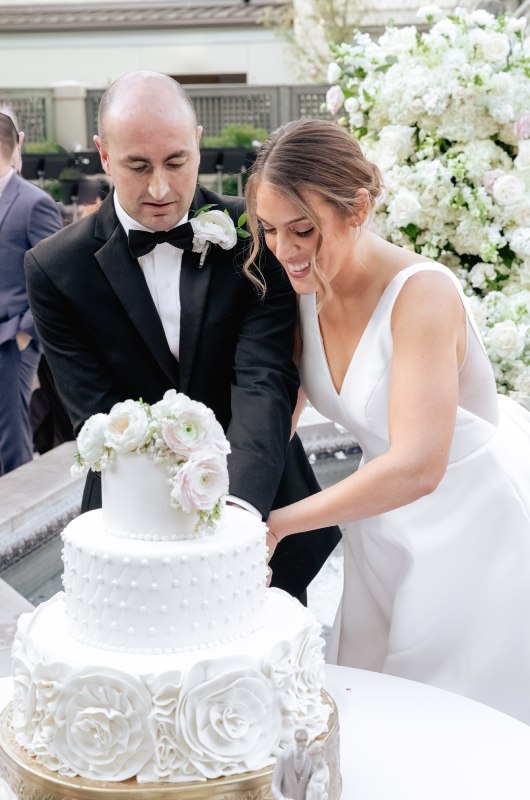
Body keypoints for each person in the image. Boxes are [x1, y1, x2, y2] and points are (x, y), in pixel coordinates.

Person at [243, 118, 530, 723]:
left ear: (359, 209)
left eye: (304, 230)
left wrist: (277, 526)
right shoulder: (303, 284)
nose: (284, 250)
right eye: (268, 230)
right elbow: (276, 417)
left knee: (458, 723)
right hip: (382, 525)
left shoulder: (422, 294)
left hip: (474, 528)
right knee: (378, 713)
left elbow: (420, 466)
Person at [24, 72, 340, 602]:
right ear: (103, 155)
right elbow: (98, 416)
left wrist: (239, 516)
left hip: (261, 507)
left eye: (175, 161)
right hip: (133, 519)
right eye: (137, 166)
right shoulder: (55, 267)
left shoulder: (257, 235)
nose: (160, 189)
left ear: (196, 140)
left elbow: (263, 381)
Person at [0, 111, 63, 475]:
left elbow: (54, 279)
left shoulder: (33, 203)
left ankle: (15, 521)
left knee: (11, 437)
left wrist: (25, 334)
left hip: (12, 340)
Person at [271, 728, 313, 800]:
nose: (301, 744)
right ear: (295, 741)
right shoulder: (283, 757)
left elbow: (315, 779)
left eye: (304, 741)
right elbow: (274, 786)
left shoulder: (310, 758)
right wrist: (282, 799)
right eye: (299, 741)